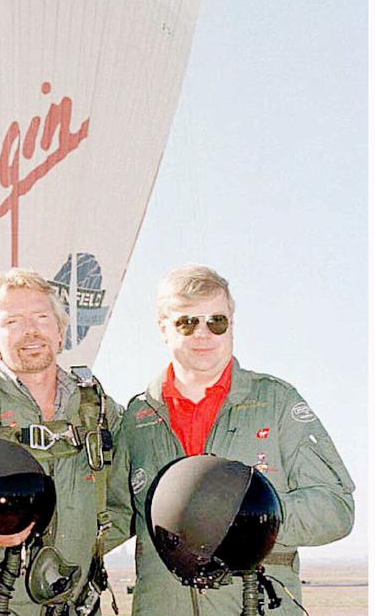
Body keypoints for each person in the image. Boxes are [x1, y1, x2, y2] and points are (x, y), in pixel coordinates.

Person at [107, 264, 355, 615]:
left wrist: (255, 520)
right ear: (163, 327)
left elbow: (336, 508)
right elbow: (116, 515)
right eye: (187, 322)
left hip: (255, 603)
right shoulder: (137, 419)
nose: (203, 334)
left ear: (231, 325)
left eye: (216, 321)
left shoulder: (277, 403)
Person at [0, 268, 123, 616]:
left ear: (61, 332)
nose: (31, 331)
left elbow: (128, 501)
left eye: (41, 317)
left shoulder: (99, 411)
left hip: (75, 604)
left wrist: (82, 544)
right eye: (13, 321)